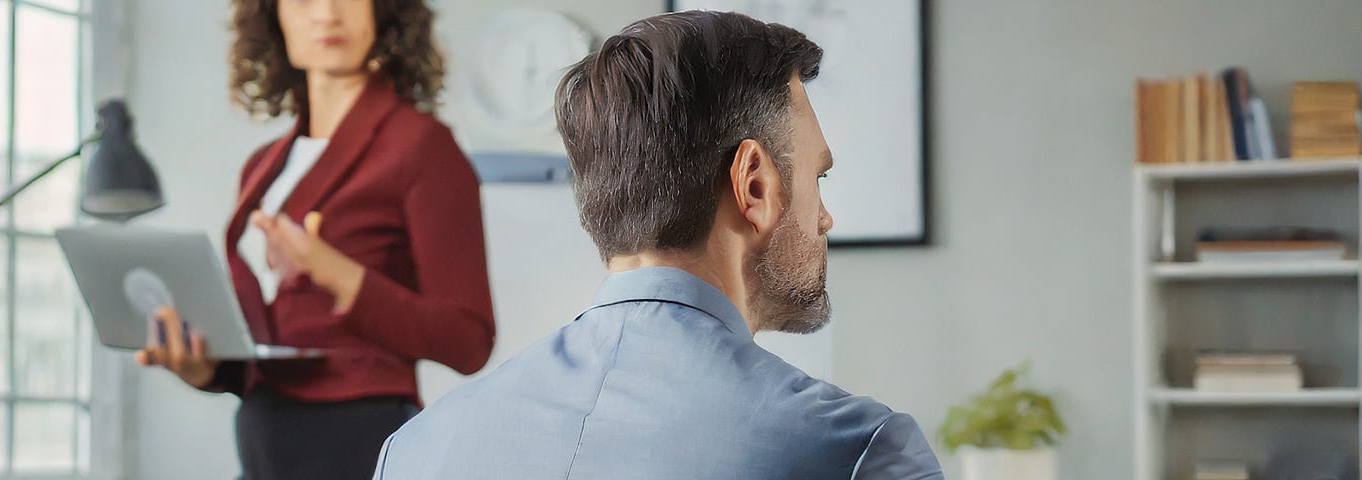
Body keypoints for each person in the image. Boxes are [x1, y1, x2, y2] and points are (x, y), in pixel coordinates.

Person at [373, 10, 943, 480]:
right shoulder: (856, 453)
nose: (825, 216)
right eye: (818, 178)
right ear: (755, 185)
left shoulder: (415, 452)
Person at [133, 0, 495, 478]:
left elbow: (469, 340)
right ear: (273, 16)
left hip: (357, 443)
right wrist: (204, 370)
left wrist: (337, 273)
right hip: (264, 449)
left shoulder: (423, 147)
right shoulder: (262, 166)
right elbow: (279, 341)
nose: (326, 13)